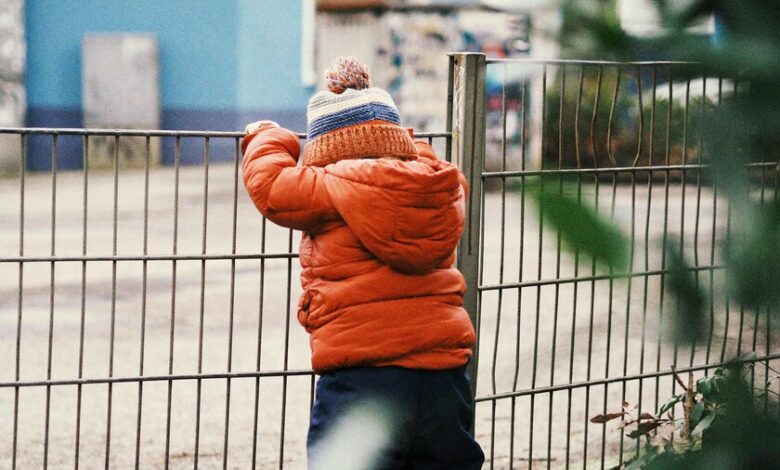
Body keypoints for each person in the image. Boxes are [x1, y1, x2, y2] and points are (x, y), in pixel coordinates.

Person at [241, 57, 484, 469]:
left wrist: (267, 137)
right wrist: (408, 146)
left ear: (325, 150)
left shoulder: (327, 186)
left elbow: (271, 186)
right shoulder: (439, 186)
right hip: (443, 374)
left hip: (362, 374)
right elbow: (427, 163)